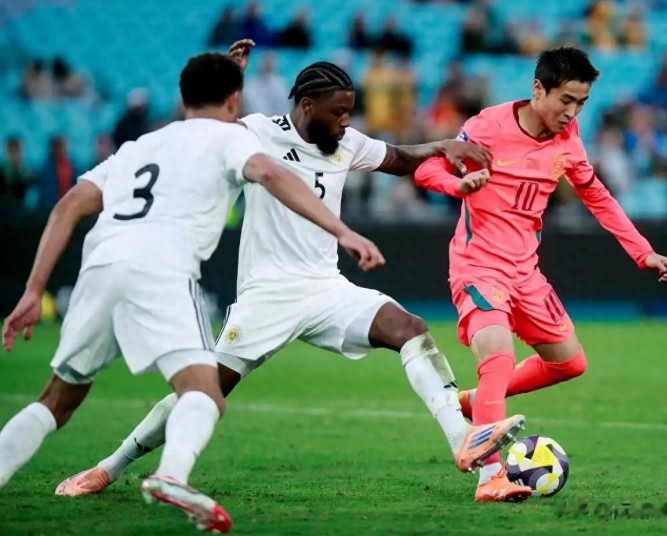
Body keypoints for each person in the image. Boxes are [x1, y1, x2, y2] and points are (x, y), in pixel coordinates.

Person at [53, 40, 525, 499]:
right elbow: (203, 132)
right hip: (267, 297)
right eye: (338, 112)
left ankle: (463, 440)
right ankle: (109, 466)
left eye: (350, 111)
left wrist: (444, 146)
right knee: (202, 393)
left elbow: (397, 158)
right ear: (306, 105)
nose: (346, 121)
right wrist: (228, 81)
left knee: (409, 328)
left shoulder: (346, 142)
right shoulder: (258, 132)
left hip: (325, 289)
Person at [0, 52, 385, 532]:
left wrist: (33, 290)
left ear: (183, 98)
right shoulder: (232, 138)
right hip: (162, 269)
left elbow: (68, 207)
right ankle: (171, 476)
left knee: (54, 402)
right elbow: (272, 174)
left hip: (101, 266)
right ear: (235, 100)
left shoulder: (141, 144)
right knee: (204, 394)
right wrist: (342, 231)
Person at [414, 47, 667, 503]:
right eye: (565, 100)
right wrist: (457, 185)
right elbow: (427, 167)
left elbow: (597, 197)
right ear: (538, 90)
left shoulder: (568, 140)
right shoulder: (486, 127)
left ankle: (474, 403)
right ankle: (490, 476)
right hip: (479, 266)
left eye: (581, 103)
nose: (572, 113)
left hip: (526, 272)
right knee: (498, 357)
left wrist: (643, 252)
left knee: (569, 363)